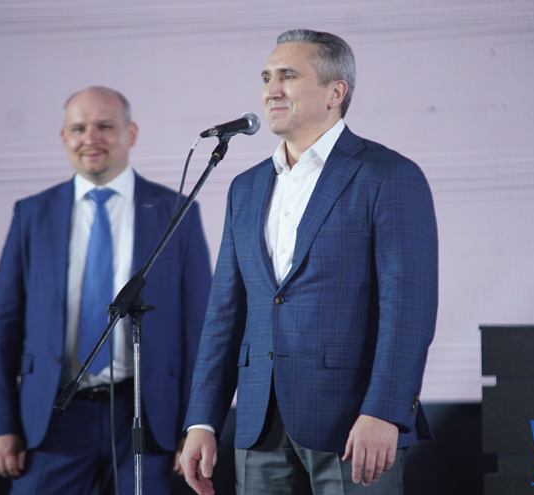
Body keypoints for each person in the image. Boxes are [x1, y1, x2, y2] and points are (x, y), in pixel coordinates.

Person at [179, 29, 438, 495]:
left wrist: (384, 411)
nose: (271, 90)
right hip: (259, 425)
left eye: (288, 76)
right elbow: (224, 314)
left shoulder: (389, 176)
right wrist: (203, 420)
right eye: (266, 78)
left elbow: (409, 311)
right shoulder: (245, 188)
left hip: (354, 423)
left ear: (335, 92)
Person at [0, 86, 212, 495]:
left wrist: (195, 424)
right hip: (54, 415)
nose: (90, 139)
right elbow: (3, 325)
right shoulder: (32, 214)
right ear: (64, 137)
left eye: (104, 126)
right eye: (78, 129)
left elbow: (200, 328)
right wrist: (0, 425)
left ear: (131, 133)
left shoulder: (176, 211)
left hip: (144, 414)